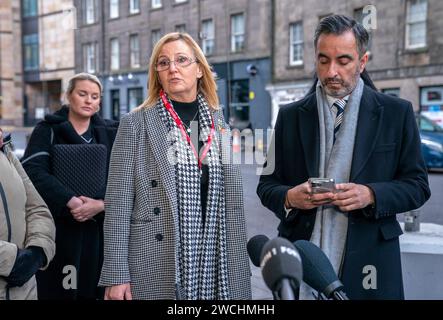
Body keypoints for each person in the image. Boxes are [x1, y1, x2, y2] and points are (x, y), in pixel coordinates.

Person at [257, 15, 430, 300]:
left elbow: (418, 186)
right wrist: (290, 198)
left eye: (343, 61)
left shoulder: (396, 113)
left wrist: (371, 194)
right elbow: (267, 185)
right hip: (301, 261)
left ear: (362, 62)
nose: (331, 71)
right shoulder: (290, 116)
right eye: (323, 60)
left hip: (371, 263)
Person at [99, 32, 251, 300]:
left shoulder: (220, 124)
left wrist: (240, 266)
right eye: (163, 63)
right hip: (154, 259)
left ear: (200, 70)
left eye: (181, 60)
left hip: (215, 260)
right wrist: (116, 274)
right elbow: (118, 204)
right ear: (157, 73)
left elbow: (233, 205)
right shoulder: (135, 124)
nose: (172, 68)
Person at [21, 73, 119, 299]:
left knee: (93, 289)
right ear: (68, 96)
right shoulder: (48, 129)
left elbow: (122, 178)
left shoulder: (110, 132)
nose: (89, 101)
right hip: (59, 229)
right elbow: (34, 171)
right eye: (82, 94)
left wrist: (100, 204)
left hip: (99, 233)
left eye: (95, 97)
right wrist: (70, 200)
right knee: (62, 290)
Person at [1, 128, 55, 300]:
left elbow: (37, 208)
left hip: (24, 291)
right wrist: (12, 260)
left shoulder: (5, 153)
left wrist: (37, 251)